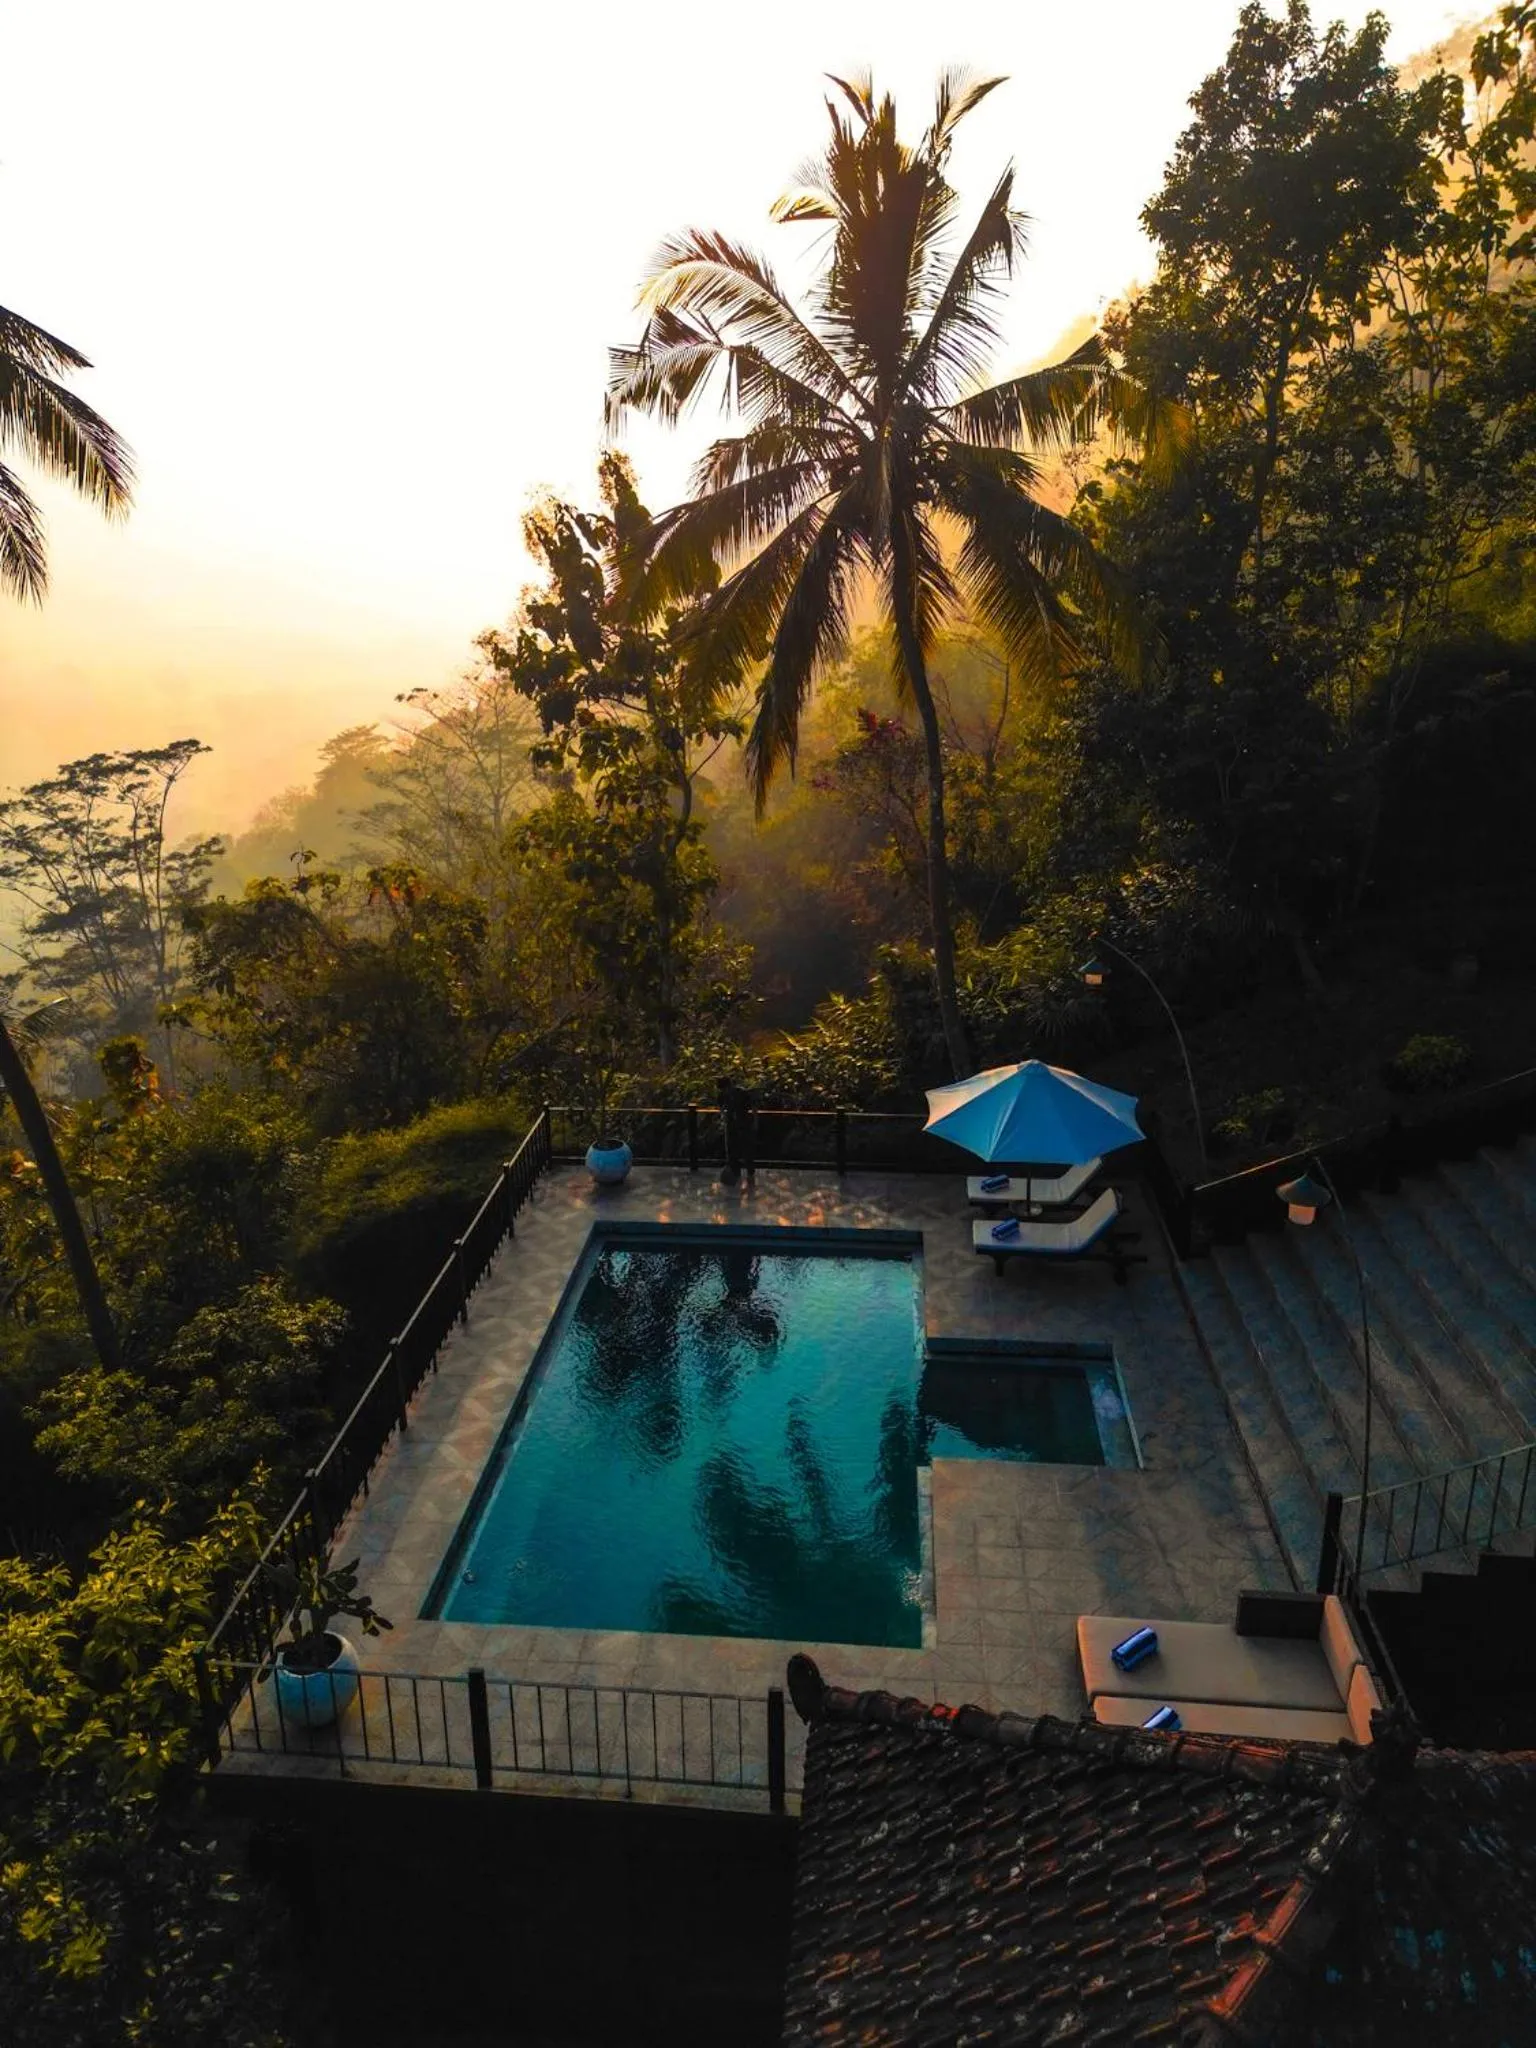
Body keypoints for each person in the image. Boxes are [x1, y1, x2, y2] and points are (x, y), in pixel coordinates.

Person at [716, 1074, 753, 1186]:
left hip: (743, 1123)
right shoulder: (723, 1095)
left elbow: (751, 1106)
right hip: (731, 1124)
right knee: (732, 1149)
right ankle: (735, 1172)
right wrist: (724, 1118)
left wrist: (753, 1122)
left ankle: (750, 1171)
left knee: (746, 1148)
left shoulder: (742, 1093)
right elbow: (721, 1107)